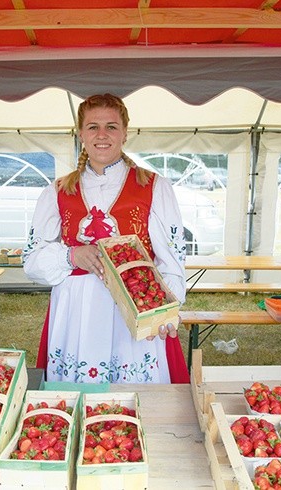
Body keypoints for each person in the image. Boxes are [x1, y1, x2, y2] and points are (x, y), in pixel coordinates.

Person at [24, 93, 189, 384]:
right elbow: (32, 261)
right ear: (81, 134)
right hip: (77, 313)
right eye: (93, 127)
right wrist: (71, 256)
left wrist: (164, 312)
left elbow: (172, 261)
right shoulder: (57, 191)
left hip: (135, 309)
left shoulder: (154, 187)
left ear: (125, 133)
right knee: (79, 396)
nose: (102, 135)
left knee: (137, 398)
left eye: (111, 126)